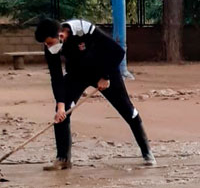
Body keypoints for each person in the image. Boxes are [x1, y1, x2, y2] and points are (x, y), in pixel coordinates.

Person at [34, 18, 155, 170]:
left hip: (104, 70)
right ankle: (63, 159)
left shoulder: (84, 29)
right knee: (62, 114)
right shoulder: (51, 48)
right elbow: (56, 77)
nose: (48, 46)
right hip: (77, 74)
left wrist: (105, 76)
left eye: (49, 42)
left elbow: (118, 52)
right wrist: (60, 104)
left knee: (127, 110)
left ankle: (147, 153)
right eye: (45, 44)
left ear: (61, 35)